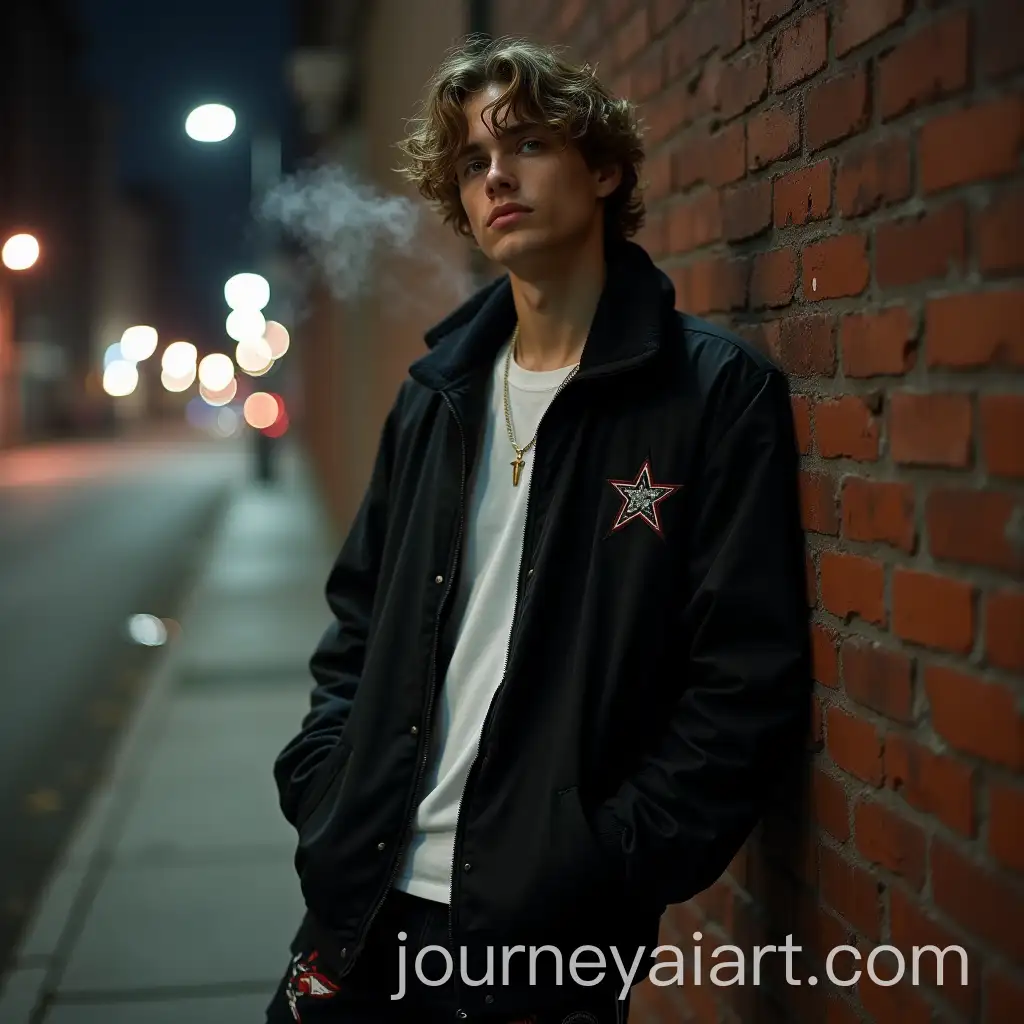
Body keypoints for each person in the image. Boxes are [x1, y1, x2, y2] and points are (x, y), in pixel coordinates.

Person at [266, 33, 810, 1024]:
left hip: (542, 937)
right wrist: (323, 787)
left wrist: (598, 861)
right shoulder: (438, 397)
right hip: (361, 899)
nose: (495, 176)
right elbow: (357, 620)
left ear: (603, 168)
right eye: (472, 163)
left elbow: (744, 684)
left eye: (525, 144)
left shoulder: (710, 394)